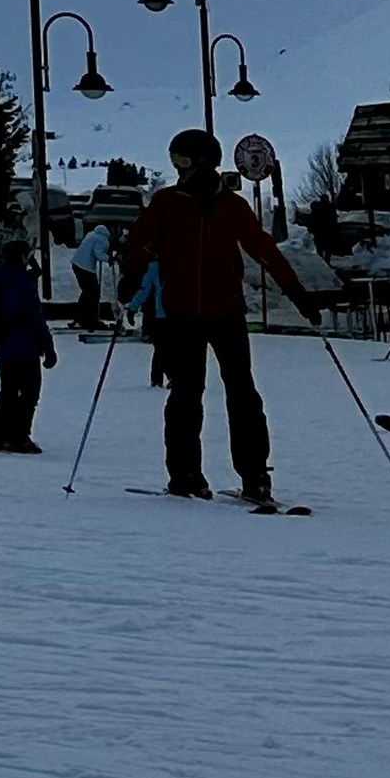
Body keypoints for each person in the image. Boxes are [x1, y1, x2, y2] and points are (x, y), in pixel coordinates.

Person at [119, 128, 320, 502]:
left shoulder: (228, 206)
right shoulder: (167, 202)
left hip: (221, 311)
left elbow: (263, 249)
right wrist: (132, 273)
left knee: (236, 393)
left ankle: (250, 475)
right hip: (186, 313)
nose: (176, 167)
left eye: (180, 160)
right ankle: (188, 475)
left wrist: (296, 291)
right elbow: (140, 241)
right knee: (190, 394)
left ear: (200, 162)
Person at [0, 233, 57, 453]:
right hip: (24, 345)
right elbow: (34, 317)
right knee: (30, 393)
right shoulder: (21, 281)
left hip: (3, 343)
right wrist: (48, 347)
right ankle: (18, 436)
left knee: (8, 392)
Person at [67, 220, 113, 332]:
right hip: (85, 267)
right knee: (93, 293)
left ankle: (80, 318)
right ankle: (90, 320)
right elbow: (98, 253)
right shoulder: (102, 238)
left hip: (77, 264)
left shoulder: (92, 234)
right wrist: (110, 259)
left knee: (88, 292)